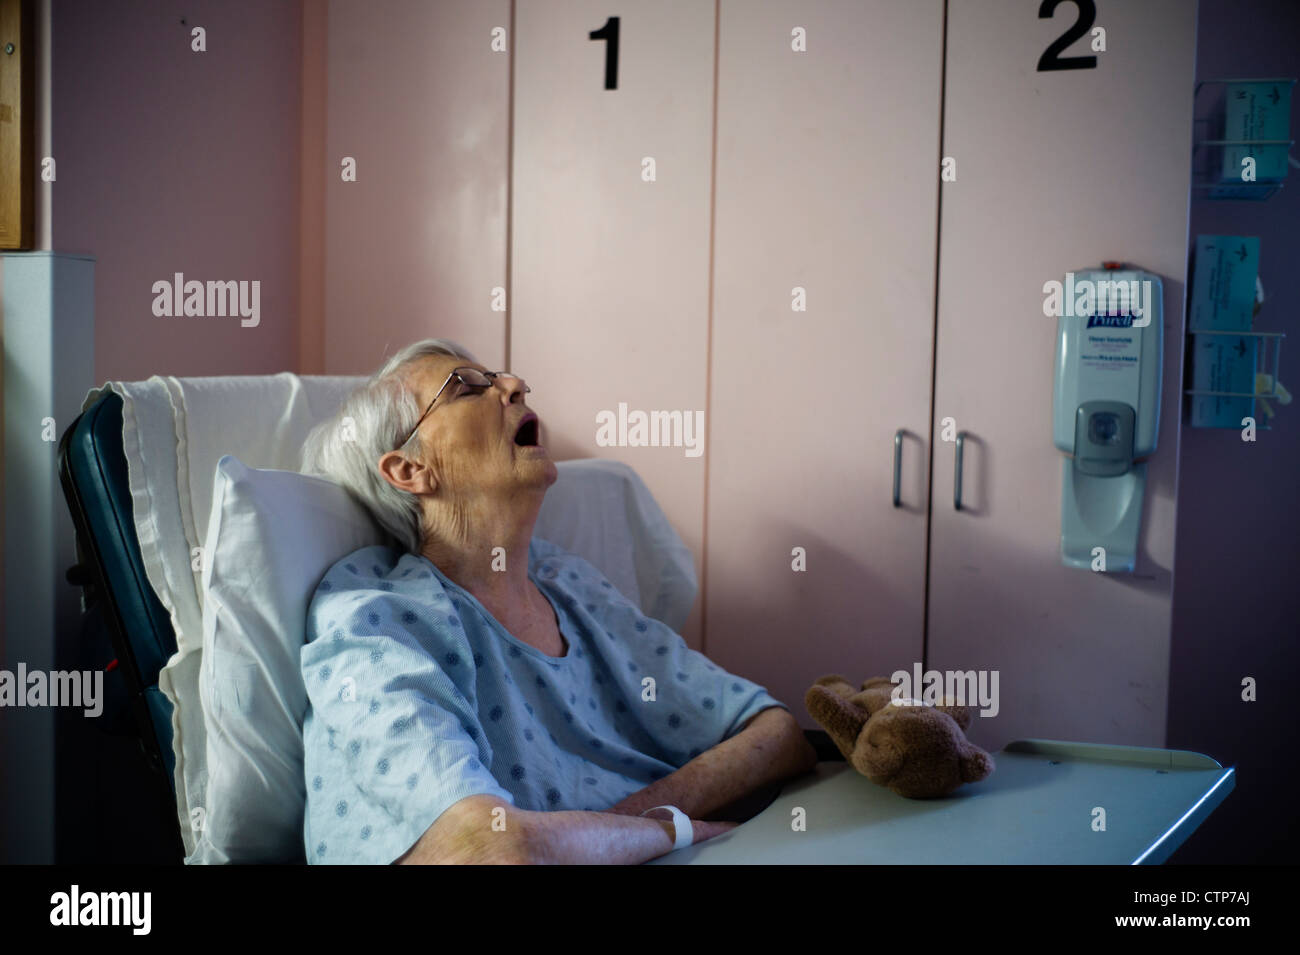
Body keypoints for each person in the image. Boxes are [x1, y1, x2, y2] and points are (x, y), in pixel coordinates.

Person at [298, 338, 816, 864]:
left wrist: (637, 819)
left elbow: (776, 733)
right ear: (410, 471)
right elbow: (490, 849)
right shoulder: (375, 623)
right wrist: (678, 832)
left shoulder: (569, 584)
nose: (515, 385)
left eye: (501, 378)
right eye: (466, 388)